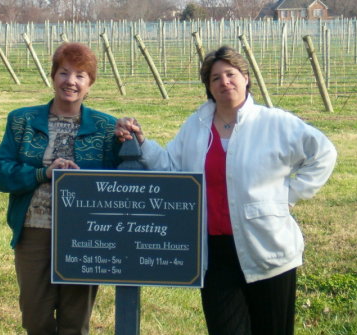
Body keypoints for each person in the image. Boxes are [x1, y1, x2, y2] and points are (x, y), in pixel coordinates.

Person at [115, 46, 337, 335]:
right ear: (209, 87)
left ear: (246, 78)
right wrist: (143, 143)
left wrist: (289, 195)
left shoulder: (275, 123)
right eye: (215, 78)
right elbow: (171, 167)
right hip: (215, 253)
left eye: (231, 74)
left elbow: (324, 153)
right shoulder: (196, 126)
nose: (224, 82)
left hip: (267, 247)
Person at [0, 42, 121, 335]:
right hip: (35, 230)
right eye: (64, 73)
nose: (70, 81)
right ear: (52, 76)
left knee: (75, 321)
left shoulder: (105, 127)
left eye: (80, 75)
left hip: (85, 236)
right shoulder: (22, 121)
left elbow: (121, 179)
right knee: (35, 318)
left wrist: (129, 139)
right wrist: (42, 173)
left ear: (90, 84)